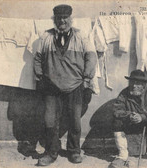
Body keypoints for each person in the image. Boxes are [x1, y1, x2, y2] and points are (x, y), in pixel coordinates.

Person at [33, 4, 97, 166]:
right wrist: (41, 77)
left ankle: (74, 151)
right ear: (55, 20)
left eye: (65, 18)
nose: (62, 21)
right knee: (50, 121)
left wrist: (86, 77)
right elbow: (38, 59)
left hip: (75, 86)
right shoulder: (45, 38)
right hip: (51, 88)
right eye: (59, 18)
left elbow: (91, 57)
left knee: (74, 120)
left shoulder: (81, 37)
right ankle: (51, 152)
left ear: (70, 19)